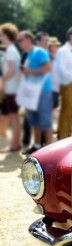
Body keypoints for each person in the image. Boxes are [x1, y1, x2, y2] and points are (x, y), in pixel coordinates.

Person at [17, 30, 53, 154]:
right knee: (34, 121)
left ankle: (49, 149)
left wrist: (30, 72)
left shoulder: (39, 52)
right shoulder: (28, 54)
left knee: (45, 121)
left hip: (43, 91)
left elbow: (48, 67)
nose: (19, 42)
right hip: (31, 93)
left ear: (28, 39)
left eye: (20, 40)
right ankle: (37, 145)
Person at [0, 22, 21, 152]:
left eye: (1, 34)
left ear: (7, 35)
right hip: (13, 88)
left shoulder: (10, 51)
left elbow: (12, 70)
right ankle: (15, 143)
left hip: (12, 89)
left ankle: (14, 144)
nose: (0, 37)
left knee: (14, 117)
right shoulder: (12, 50)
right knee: (13, 116)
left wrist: (2, 79)